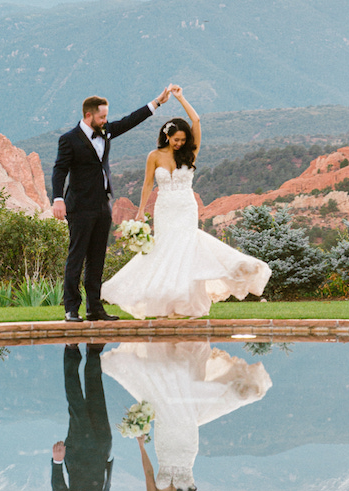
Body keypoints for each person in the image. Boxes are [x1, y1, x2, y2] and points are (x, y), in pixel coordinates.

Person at [101, 341, 273, 491]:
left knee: (165, 406)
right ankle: (185, 359)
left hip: (163, 445)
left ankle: (169, 357)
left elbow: (149, 472)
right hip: (186, 446)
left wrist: (141, 444)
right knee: (184, 409)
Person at [101, 86, 271, 318]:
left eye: (183, 139)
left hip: (185, 207)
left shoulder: (190, 152)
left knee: (185, 251)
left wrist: (180, 98)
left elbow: (197, 119)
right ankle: (166, 305)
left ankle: (186, 305)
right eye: (176, 139)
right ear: (167, 136)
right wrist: (141, 211)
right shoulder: (154, 156)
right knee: (165, 251)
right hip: (164, 208)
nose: (180, 143)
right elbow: (147, 184)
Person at [51, 89, 170, 322]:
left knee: (97, 259)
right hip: (80, 206)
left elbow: (128, 122)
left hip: (103, 205)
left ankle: (94, 308)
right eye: (102, 117)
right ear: (88, 116)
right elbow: (59, 170)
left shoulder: (104, 132)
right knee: (77, 257)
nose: (106, 121)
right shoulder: (69, 139)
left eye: (106, 117)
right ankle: (71, 309)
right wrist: (57, 199)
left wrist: (156, 102)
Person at [51, 344, 171, 491]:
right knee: (97, 397)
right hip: (102, 448)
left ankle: (71, 349)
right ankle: (93, 351)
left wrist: (57, 461)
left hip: (78, 450)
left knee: (75, 399)